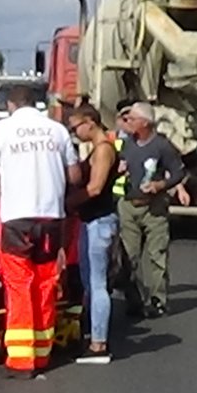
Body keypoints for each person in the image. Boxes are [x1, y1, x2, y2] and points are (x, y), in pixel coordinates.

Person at [0, 84, 82, 379]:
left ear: (10, 105)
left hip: (16, 219)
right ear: (35, 103)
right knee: (45, 284)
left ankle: (21, 360)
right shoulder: (57, 131)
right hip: (51, 218)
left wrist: (4, 197)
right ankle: (41, 353)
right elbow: (74, 175)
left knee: (19, 285)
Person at [117, 101, 187, 319]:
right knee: (129, 256)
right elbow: (116, 164)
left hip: (154, 207)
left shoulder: (162, 146)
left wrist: (161, 185)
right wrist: (119, 169)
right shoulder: (126, 144)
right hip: (128, 205)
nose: (127, 122)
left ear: (145, 123)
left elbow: (178, 172)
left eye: (131, 119)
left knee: (157, 255)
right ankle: (134, 300)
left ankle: (158, 300)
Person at [67, 104, 120, 360]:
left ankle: (99, 343)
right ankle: (92, 334)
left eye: (76, 127)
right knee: (90, 281)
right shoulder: (96, 150)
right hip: (91, 221)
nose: (75, 133)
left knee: (98, 283)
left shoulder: (103, 150)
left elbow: (96, 187)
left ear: (90, 122)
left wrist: (68, 203)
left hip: (100, 221)